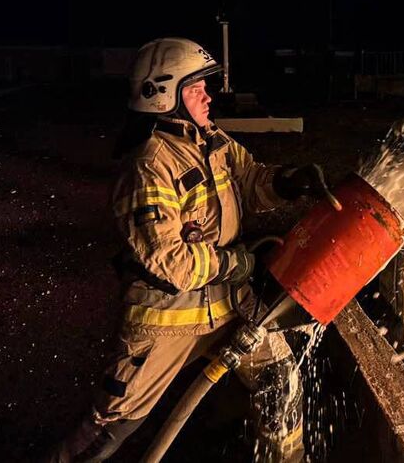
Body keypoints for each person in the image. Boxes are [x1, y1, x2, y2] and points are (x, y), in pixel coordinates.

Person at [47, 38, 332, 462]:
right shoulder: (149, 166)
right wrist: (236, 263)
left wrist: (288, 182)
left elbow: (251, 180)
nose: (208, 95)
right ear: (162, 95)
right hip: (168, 320)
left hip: (229, 305)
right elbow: (171, 262)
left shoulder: (210, 140)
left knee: (279, 380)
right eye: (195, 87)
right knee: (108, 428)